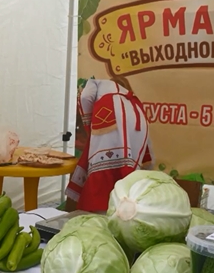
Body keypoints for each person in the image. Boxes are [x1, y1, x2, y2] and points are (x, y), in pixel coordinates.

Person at [65, 77, 153, 213]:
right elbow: (148, 151)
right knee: (125, 183)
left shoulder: (103, 86)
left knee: (101, 172)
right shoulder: (136, 104)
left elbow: (86, 96)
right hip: (132, 159)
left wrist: (90, 126)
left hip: (109, 112)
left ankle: (95, 212)